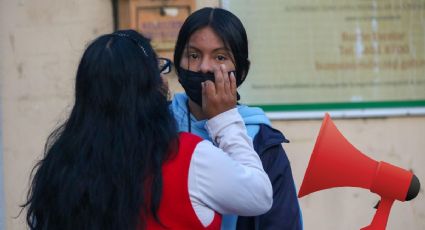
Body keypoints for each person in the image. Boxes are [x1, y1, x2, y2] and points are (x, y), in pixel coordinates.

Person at [22, 30, 273, 230]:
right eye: (160, 70)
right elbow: (259, 195)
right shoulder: (188, 157)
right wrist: (226, 120)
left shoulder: (58, 165)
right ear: (147, 88)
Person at [170, 7, 303, 230]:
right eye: (193, 55)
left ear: (241, 71)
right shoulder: (156, 123)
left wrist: (223, 119)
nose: (204, 67)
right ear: (177, 60)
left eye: (220, 57)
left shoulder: (262, 142)